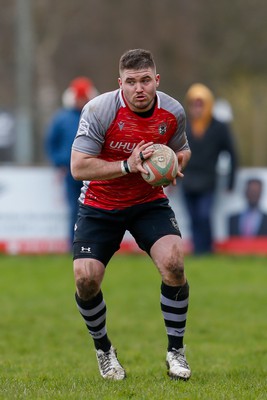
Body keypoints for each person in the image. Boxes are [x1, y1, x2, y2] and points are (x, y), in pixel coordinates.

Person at [70, 49, 192, 381]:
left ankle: (175, 352)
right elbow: (78, 167)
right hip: (99, 203)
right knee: (86, 279)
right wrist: (127, 165)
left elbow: (182, 149)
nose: (139, 89)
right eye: (131, 82)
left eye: (145, 81)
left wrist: (175, 164)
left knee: (174, 264)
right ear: (119, 83)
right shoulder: (99, 110)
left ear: (157, 80)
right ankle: (104, 351)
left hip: (147, 201)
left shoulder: (172, 112)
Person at [181, 83, 238, 255]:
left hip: (208, 181)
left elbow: (232, 154)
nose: (197, 109)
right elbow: (175, 153)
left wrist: (231, 181)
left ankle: (206, 249)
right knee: (192, 218)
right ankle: (199, 251)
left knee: (204, 215)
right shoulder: (184, 126)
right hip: (188, 180)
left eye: (201, 104)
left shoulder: (219, 127)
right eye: (193, 104)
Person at [45, 77, 98, 249]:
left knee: (94, 210)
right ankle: (74, 246)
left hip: (93, 172)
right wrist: (58, 163)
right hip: (70, 173)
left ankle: (94, 245)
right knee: (74, 211)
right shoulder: (61, 118)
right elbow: (51, 143)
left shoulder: (96, 115)